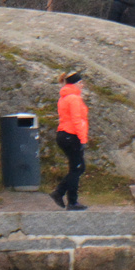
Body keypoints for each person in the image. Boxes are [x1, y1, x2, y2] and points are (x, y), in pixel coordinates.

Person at [50, 71, 90, 210]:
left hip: (64, 134)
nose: (83, 85)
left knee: (77, 167)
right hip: (71, 135)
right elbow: (77, 120)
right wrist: (83, 139)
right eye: (81, 82)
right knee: (77, 168)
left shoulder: (65, 97)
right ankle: (68, 199)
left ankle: (64, 195)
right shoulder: (74, 98)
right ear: (77, 83)